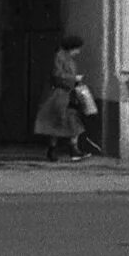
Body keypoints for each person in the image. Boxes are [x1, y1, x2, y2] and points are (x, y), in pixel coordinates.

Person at [36, 33, 99, 161]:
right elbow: (57, 75)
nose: (78, 51)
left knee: (70, 122)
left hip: (67, 94)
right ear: (72, 47)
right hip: (60, 95)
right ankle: (61, 150)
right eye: (77, 48)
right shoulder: (60, 57)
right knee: (59, 122)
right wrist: (73, 79)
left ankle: (69, 149)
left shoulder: (66, 58)